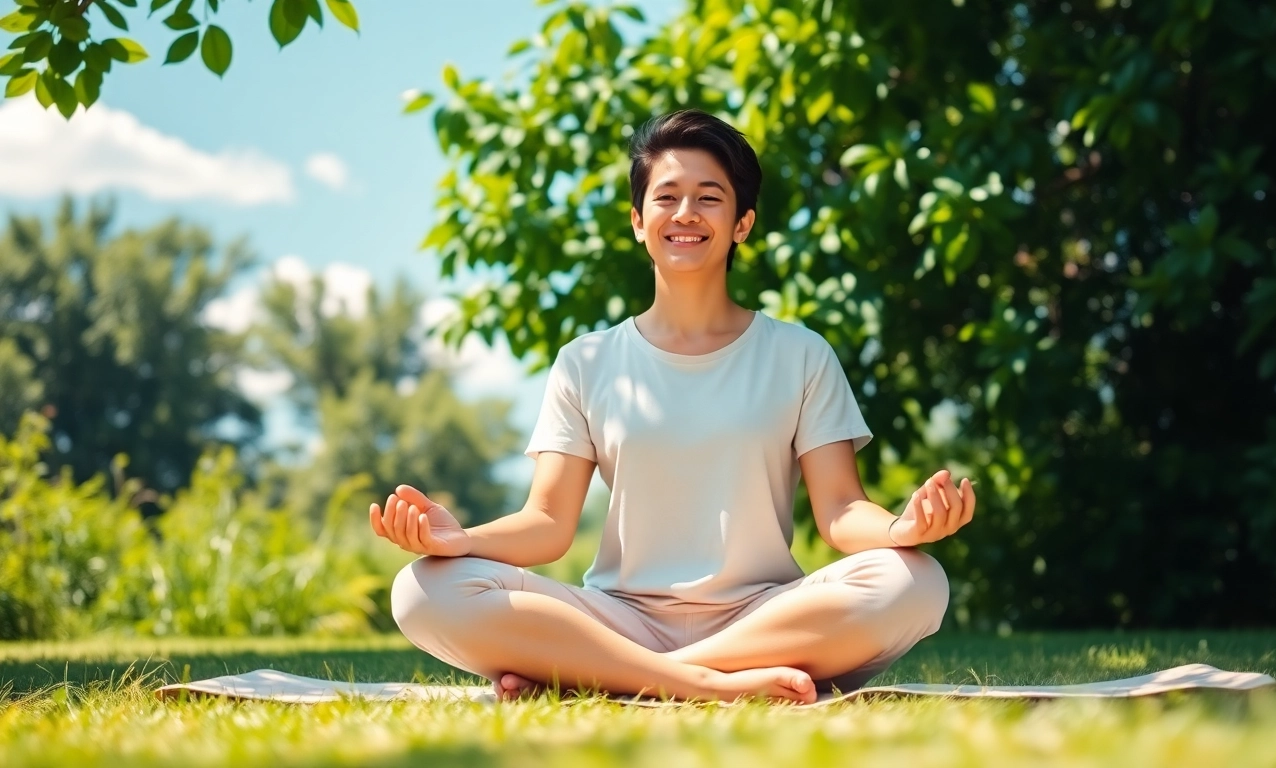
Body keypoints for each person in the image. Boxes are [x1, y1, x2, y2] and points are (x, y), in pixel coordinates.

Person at [370, 109, 975, 705]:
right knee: (423, 589)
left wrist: (900, 529)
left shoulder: (800, 354)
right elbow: (548, 524)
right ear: (638, 221)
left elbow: (841, 510)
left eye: (710, 197)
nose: (685, 213)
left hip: (764, 617)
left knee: (915, 580)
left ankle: (607, 676)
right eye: (666, 197)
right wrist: (461, 539)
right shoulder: (586, 361)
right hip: (617, 616)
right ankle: (700, 683)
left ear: (742, 223)